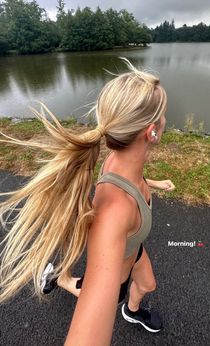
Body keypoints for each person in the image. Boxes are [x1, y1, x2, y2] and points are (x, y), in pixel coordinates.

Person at [0, 58, 175, 345]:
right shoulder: (115, 213)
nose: (166, 120)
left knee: (147, 284)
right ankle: (59, 278)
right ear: (152, 132)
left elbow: (135, 179)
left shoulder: (119, 157)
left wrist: (155, 184)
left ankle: (131, 313)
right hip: (118, 268)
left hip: (135, 252)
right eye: (164, 115)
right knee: (86, 289)